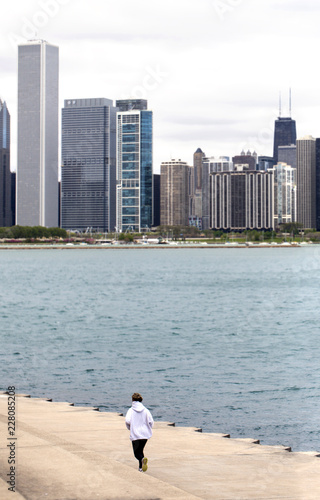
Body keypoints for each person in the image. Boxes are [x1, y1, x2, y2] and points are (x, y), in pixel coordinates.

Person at [125, 392, 154, 472]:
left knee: (136, 453)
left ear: (132, 400)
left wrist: (130, 428)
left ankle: (141, 460)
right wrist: (148, 428)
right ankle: (141, 467)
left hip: (135, 434)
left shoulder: (131, 410)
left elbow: (127, 421)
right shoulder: (146, 410)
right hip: (145, 434)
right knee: (140, 450)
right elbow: (151, 422)